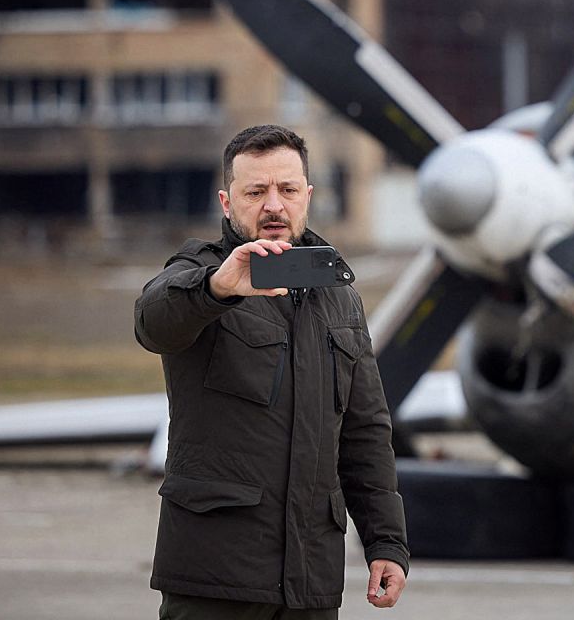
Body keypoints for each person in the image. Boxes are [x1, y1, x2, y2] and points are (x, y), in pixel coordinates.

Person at [135, 124, 408, 619]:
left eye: (286, 190)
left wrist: (386, 541)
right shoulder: (201, 273)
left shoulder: (339, 295)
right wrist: (217, 288)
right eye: (255, 191)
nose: (273, 206)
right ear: (227, 201)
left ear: (307, 196)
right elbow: (154, 322)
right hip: (215, 580)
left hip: (311, 582)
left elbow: (365, 431)